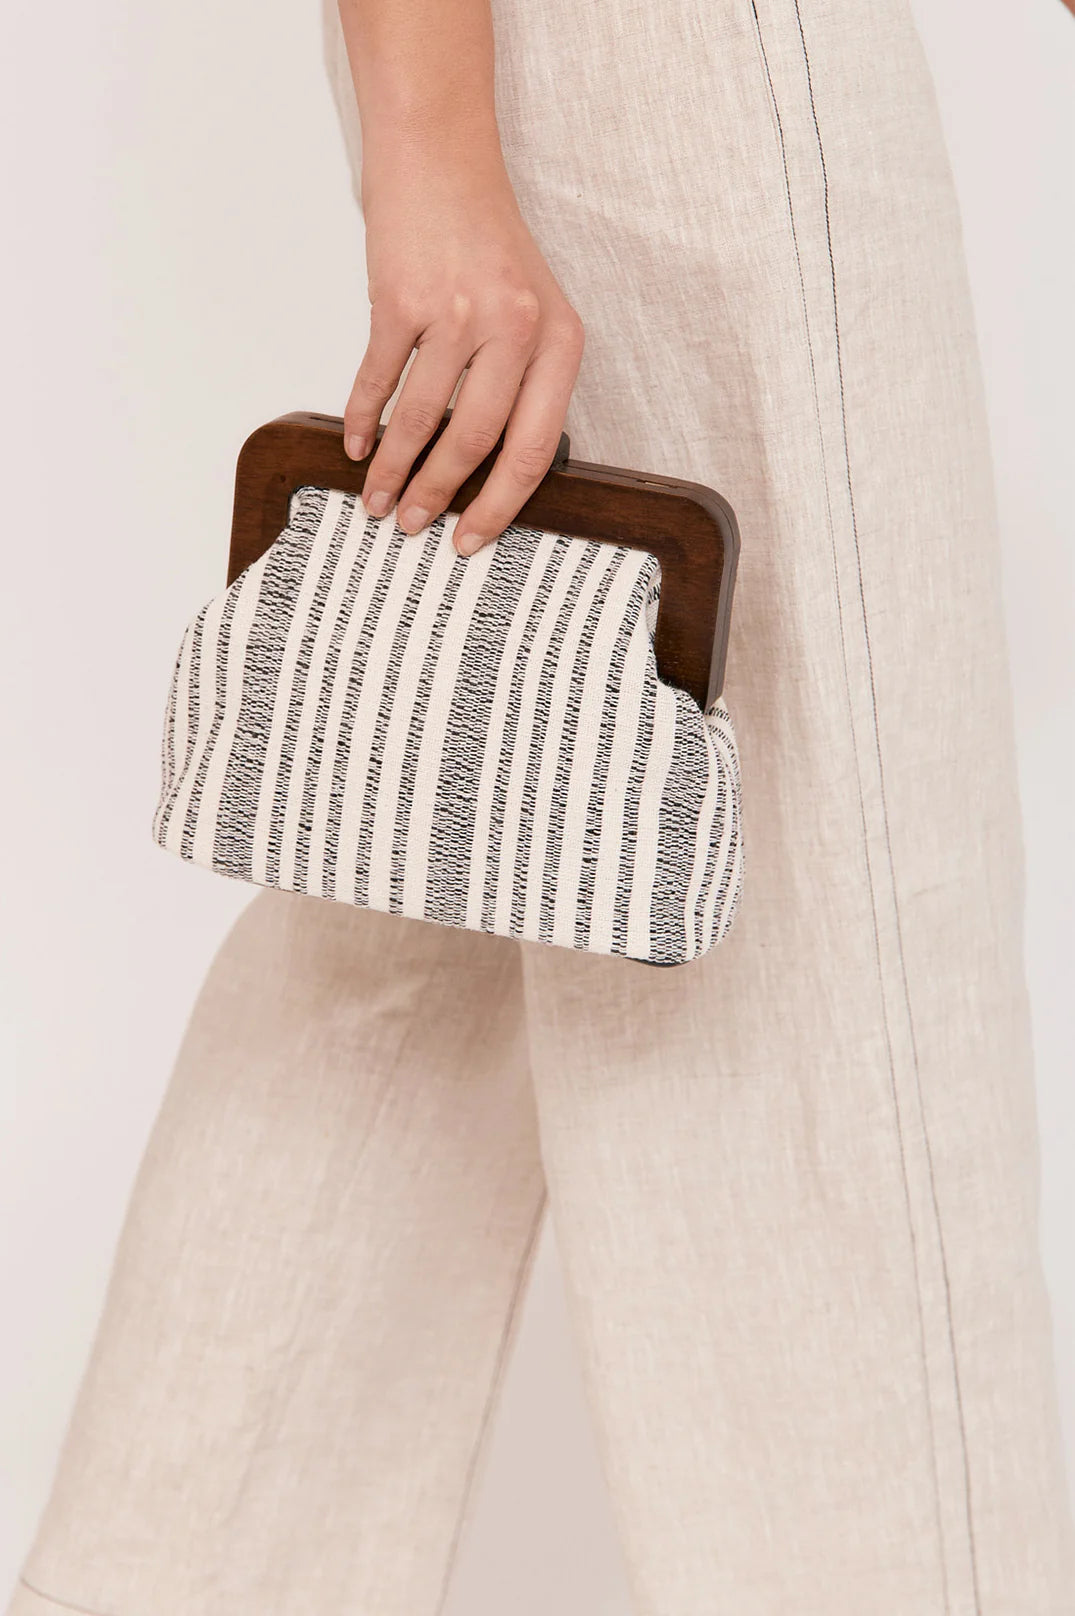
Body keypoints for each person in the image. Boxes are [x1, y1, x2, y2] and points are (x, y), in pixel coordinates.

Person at [8, 0, 1075, 1611]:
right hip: (692, 72)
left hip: (555, 67)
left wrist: (436, 143)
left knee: (451, 856)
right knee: (837, 984)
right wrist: (434, 162)